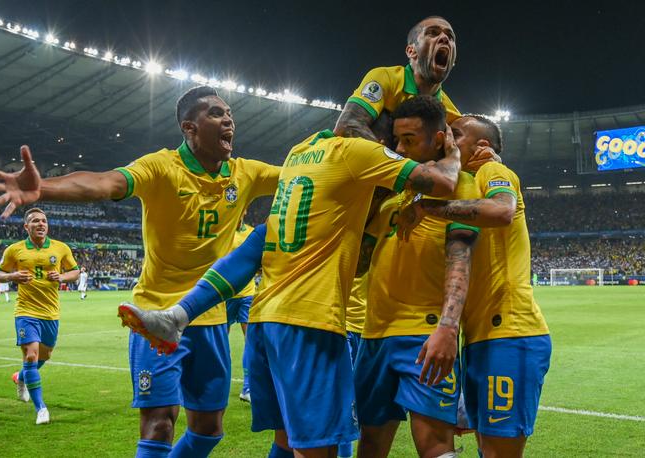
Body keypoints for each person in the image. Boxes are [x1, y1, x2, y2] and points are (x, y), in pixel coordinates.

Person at [120, 110, 463, 457]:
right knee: (321, 448)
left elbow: (269, 245)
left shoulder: (301, 151)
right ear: (379, 141)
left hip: (266, 321)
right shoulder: (361, 153)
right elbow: (444, 182)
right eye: (396, 143)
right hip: (311, 322)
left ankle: (178, 315)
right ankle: (176, 317)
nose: (400, 151)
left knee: (286, 442)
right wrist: (453, 154)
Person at [0, 86, 280, 458]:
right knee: (159, 423)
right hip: (154, 317)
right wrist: (44, 189)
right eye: (216, 114)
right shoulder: (162, 167)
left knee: (209, 430)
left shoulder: (246, 173)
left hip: (210, 318)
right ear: (189, 127)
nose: (228, 120)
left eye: (229, 113)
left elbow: (303, 177)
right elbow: (105, 182)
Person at [400, 114, 551, 458]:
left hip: (510, 333)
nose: (447, 140)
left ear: (482, 145)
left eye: (456, 134)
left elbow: (501, 211)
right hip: (481, 338)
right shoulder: (465, 183)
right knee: (487, 449)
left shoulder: (493, 171)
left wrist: (428, 207)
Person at [353, 96, 480, 458]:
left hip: (423, 335)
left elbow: (460, 258)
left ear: (439, 140)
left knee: (435, 446)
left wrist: (447, 328)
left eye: (409, 140)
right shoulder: (394, 194)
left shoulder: (462, 186)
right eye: (397, 140)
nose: (399, 149)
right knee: (370, 444)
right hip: (374, 337)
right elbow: (360, 265)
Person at [0, 208, 80, 424]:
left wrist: (61, 277)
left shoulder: (60, 248)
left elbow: (75, 272)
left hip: (50, 312)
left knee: (44, 355)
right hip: (26, 311)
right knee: (31, 356)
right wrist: (13, 276)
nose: (41, 224)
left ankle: (20, 377)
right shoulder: (15, 249)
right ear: (26, 226)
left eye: (43, 221)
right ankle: (41, 408)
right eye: (35, 221)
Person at [335, 16, 460, 142]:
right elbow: (347, 125)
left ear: (453, 61)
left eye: (450, 37)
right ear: (411, 51)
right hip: (342, 152)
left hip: (391, 153)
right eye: (433, 33)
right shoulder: (385, 77)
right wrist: (393, 155)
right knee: (383, 122)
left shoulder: (450, 112)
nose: (445, 38)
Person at [226, 215, 256, 403]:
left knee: (251, 340)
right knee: (220, 343)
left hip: (247, 294)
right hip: (224, 295)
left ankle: (247, 388)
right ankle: (218, 385)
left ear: (244, 211)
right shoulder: (223, 232)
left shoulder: (251, 233)